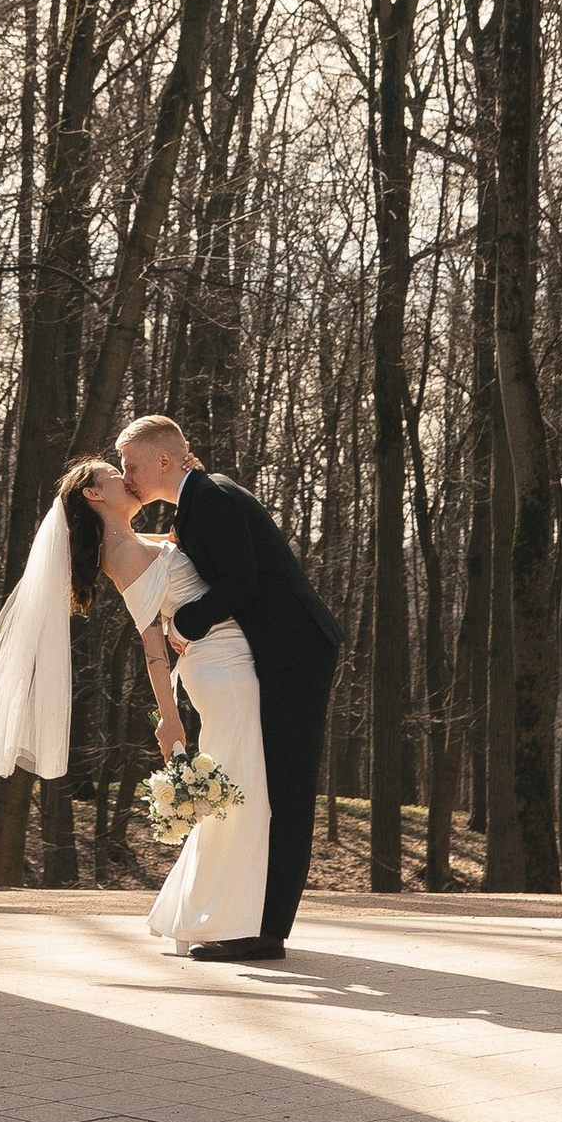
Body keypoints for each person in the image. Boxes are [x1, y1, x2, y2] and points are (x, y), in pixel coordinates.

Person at [0, 452, 271, 958]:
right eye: (114, 475)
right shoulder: (122, 554)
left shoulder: (134, 543)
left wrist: (186, 475)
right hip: (219, 669)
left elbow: (187, 547)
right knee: (240, 793)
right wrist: (168, 719)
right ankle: (223, 920)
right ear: (93, 494)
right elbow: (151, 646)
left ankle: (208, 913)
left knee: (240, 788)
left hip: (224, 659)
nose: (127, 480)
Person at [116, 411, 342, 964]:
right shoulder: (198, 503)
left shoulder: (211, 497)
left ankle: (265, 933)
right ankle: (253, 919)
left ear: (165, 460)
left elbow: (244, 582)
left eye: (133, 466)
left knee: (286, 788)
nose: (127, 477)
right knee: (269, 783)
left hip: (296, 652)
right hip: (280, 653)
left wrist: (182, 625)